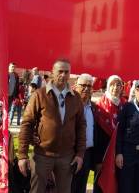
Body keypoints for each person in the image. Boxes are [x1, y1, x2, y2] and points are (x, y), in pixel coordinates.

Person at [18, 59, 86, 193]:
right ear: (52, 73)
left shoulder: (76, 98)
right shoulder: (39, 95)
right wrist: (22, 155)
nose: (63, 75)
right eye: (60, 71)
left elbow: (81, 126)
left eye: (67, 72)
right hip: (42, 155)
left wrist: (80, 154)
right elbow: (27, 124)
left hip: (67, 157)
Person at [71, 74, 107, 193]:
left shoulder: (94, 108)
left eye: (89, 86)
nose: (86, 88)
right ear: (76, 86)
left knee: (82, 186)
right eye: (83, 85)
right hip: (71, 153)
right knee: (70, 186)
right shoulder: (69, 105)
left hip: (87, 153)